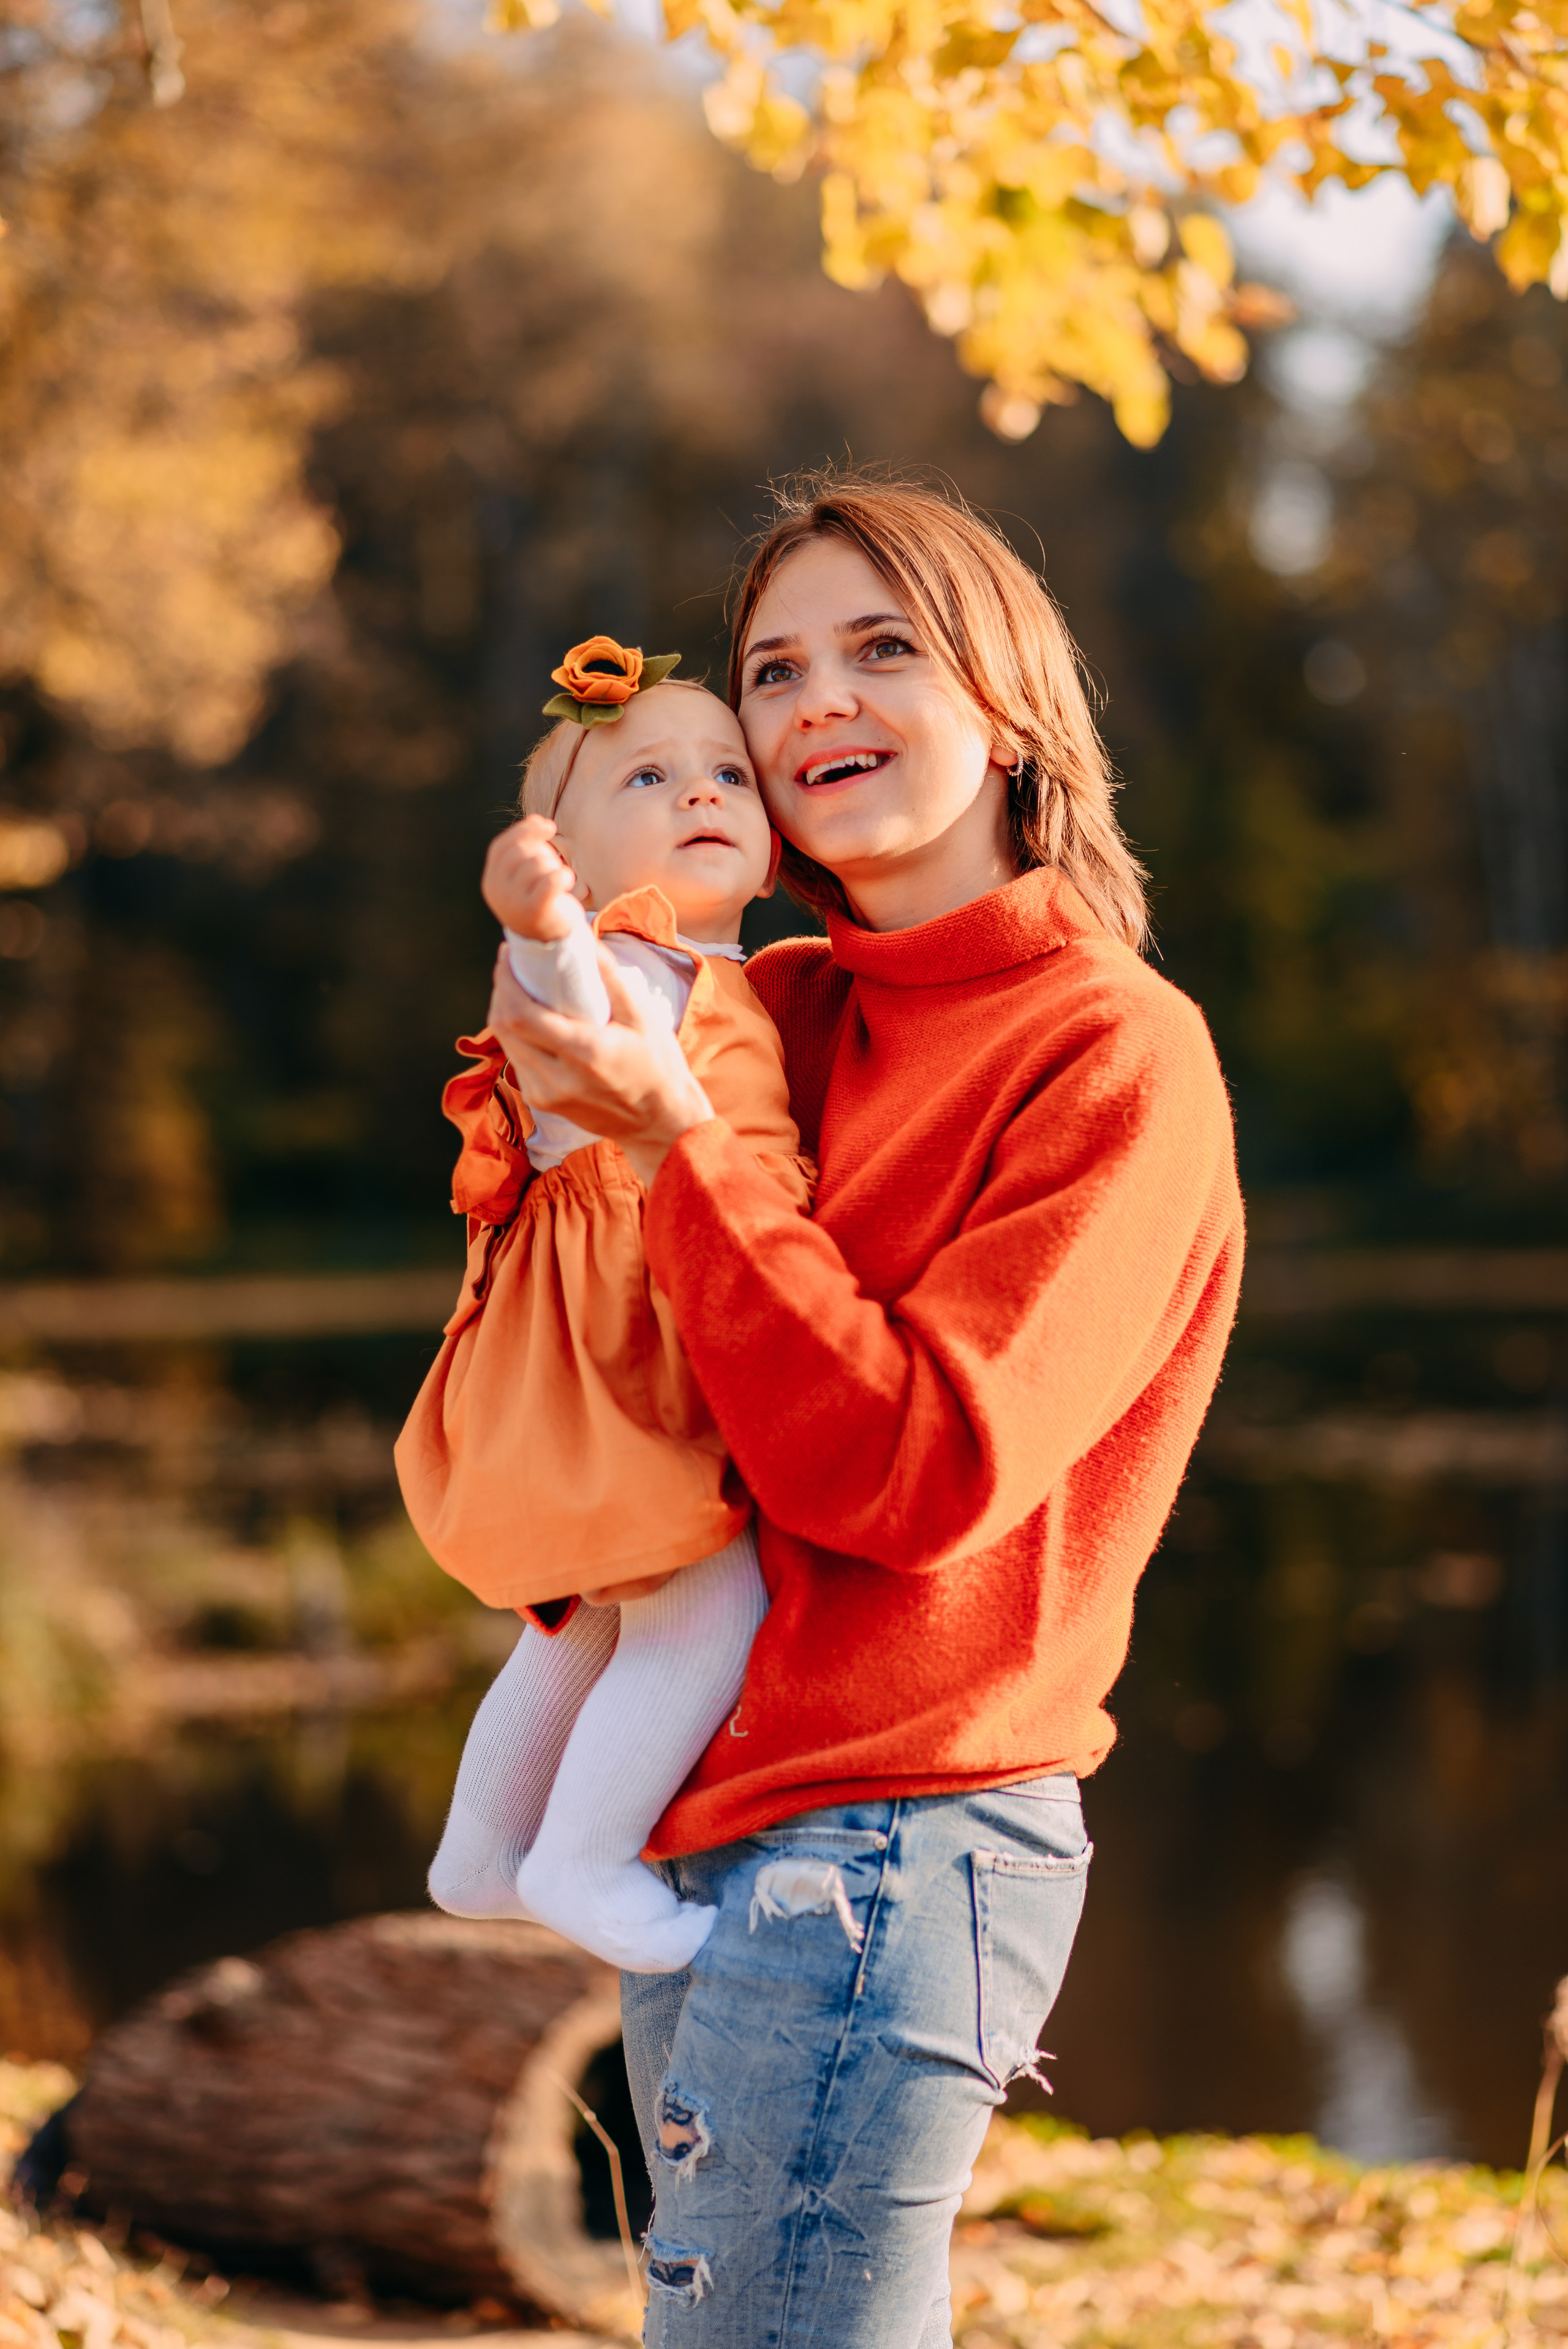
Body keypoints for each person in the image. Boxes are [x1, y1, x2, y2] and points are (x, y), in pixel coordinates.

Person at [482, 474, 1246, 2348]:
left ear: (1008, 707)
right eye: (775, 668)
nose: (819, 697)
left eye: (882, 647)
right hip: (702, 1810)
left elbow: (915, 1475)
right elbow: (617, 1334)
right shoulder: (773, 1012)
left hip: (899, 1837)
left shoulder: (1114, 1050)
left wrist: (674, 1149)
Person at [396, 646, 812, 1973]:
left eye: (728, 773)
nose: (700, 792)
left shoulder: (716, 967)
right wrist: (544, 934)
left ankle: (481, 1853)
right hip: (631, 1322)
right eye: (647, 776)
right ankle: (579, 1859)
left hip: (612, 1314)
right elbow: (582, 1017)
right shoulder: (631, 960)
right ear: (567, 862)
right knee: (706, 1609)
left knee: (598, 1612)